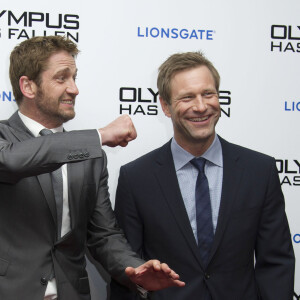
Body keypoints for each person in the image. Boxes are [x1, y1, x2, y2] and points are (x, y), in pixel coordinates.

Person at [0, 36, 185, 300]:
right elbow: (11, 160)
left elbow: (103, 234)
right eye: (62, 78)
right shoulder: (5, 139)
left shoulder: (90, 155)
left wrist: (133, 268)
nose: (74, 89)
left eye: (75, 77)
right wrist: (98, 136)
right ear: (28, 86)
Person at [110, 51, 295, 300]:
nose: (201, 106)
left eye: (208, 94)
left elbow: (276, 263)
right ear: (165, 105)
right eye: (187, 97)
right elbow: (128, 272)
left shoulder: (259, 171)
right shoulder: (137, 178)